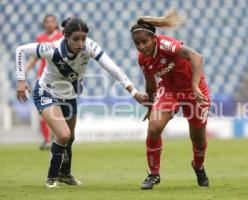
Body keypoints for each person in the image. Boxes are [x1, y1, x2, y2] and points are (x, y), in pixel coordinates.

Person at [16, 17, 147, 188]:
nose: (80, 43)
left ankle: (65, 174)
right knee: (63, 135)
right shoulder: (51, 48)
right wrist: (20, 80)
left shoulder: (90, 47)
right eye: (75, 39)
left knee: (70, 138)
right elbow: (20, 50)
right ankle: (51, 178)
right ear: (65, 37)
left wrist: (134, 91)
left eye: (83, 38)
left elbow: (113, 68)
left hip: (69, 96)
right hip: (46, 92)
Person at [130, 9, 211, 190]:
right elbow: (151, 84)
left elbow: (197, 57)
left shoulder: (166, 45)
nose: (142, 47)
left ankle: (198, 166)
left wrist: (195, 85)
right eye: (137, 44)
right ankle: (153, 174)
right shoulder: (143, 58)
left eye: (144, 41)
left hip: (193, 90)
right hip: (170, 91)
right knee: (154, 127)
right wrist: (151, 107)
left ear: (153, 38)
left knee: (198, 139)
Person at [25, 14, 63, 150]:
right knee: (43, 111)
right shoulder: (40, 39)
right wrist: (22, 74)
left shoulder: (61, 37)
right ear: (44, 24)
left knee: (58, 111)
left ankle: (58, 138)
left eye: (52, 21)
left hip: (59, 80)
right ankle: (48, 140)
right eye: (47, 22)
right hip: (42, 78)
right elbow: (34, 58)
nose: (49, 24)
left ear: (56, 23)